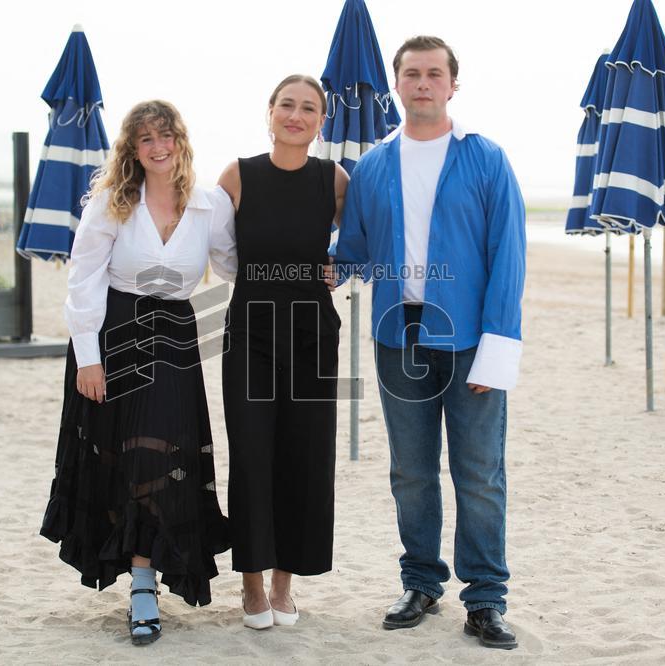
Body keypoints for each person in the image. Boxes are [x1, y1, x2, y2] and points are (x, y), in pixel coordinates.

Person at [335, 36, 526, 649]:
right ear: (398, 84)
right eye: (412, 73)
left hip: (471, 337)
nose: (422, 82)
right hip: (399, 334)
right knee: (412, 472)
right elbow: (353, 253)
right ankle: (420, 581)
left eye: (433, 74)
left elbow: (509, 257)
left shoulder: (486, 158)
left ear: (451, 85)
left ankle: (486, 598)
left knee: (479, 472)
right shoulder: (372, 166)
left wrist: (499, 349)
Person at [40, 100, 235, 646]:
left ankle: (148, 570)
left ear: (180, 139)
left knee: (163, 455)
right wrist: (87, 357)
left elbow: (232, 262)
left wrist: (297, 263)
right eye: (145, 138)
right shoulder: (111, 202)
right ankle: (142, 585)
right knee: (126, 460)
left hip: (175, 334)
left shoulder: (209, 203)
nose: (157, 146)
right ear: (132, 147)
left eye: (165, 135)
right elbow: (84, 278)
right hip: (115, 333)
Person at [216, 74, 349, 629]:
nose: (296, 116)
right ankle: (250, 585)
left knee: (304, 458)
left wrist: (344, 265)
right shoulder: (238, 175)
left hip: (313, 333)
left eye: (309, 108)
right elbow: (220, 252)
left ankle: (283, 585)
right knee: (251, 456)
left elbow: (366, 238)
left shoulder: (334, 179)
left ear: (322, 122)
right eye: (287, 105)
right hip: (251, 331)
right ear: (269, 113)